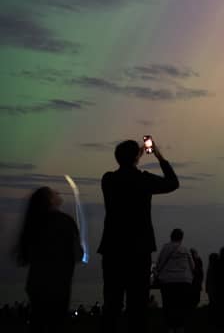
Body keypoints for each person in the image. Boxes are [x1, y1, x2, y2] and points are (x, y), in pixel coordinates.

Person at [98, 139, 179, 333]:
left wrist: (135, 156)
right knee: (138, 305)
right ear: (137, 157)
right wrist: (158, 156)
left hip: (113, 249)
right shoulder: (143, 180)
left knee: (112, 303)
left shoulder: (108, 179)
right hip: (138, 250)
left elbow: (125, 172)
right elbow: (173, 183)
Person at [15, 187, 83, 333]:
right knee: (56, 325)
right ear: (50, 201)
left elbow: (27, 254)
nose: (58, 193)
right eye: (54, 193)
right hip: (60, 283)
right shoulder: (65, 221)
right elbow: (78, 254)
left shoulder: (33, 223)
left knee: (37, 323)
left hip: (36, 282)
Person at [156, 229, 195, 333]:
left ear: (171, 236)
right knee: (181, 307)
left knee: (169, 306)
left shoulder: (165, 248)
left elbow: (159, 263)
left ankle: (170, 328)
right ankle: (180, 328)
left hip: (167, 281)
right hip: (184, 281)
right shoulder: (185, 250)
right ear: (181, 238)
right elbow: (193, 266)